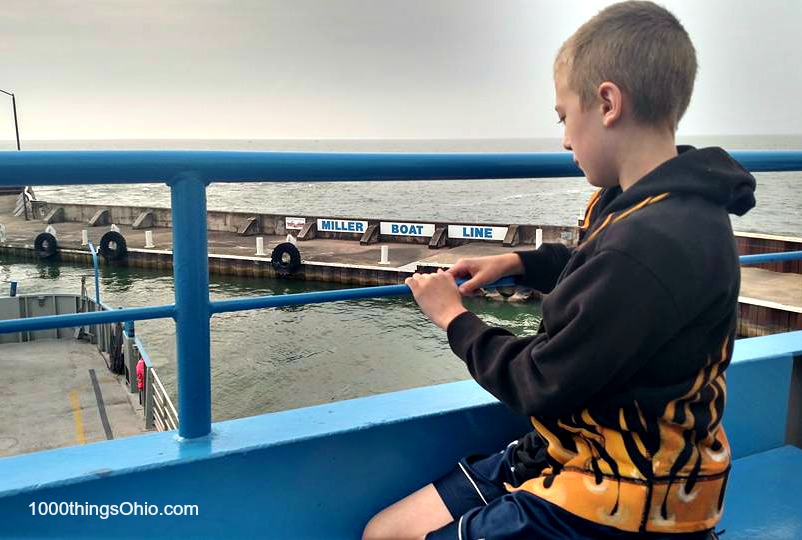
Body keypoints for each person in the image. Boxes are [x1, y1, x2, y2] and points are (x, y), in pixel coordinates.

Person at [363, 1, 756, 539]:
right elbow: (597, 277)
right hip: (580, 451)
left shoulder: (650, 241)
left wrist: (453, 318)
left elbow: (540, 382)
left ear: (608, 103)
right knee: (385, 531)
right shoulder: (655, 207)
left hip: (629, 496)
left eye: (564, 117)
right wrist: (519, 262)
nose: (566, 140)